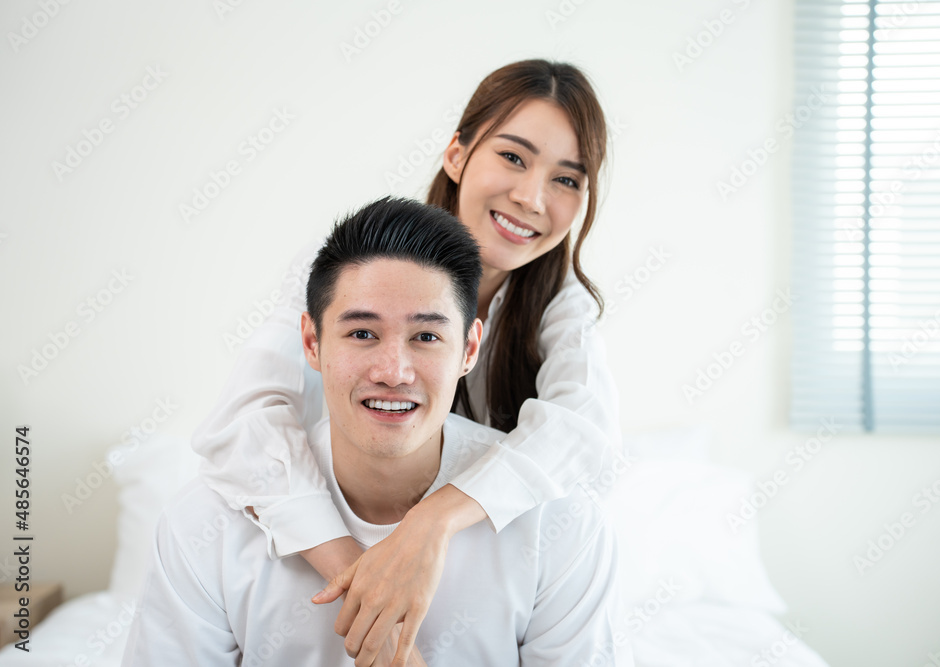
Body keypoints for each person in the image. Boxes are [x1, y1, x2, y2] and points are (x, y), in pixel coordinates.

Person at [191, 59, 621, 666]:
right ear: (456, 155)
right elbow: (243, 424)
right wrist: (369, 587)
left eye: (567, 179)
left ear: (469, 346)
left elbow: (582, 436)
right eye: (513, 157)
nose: (531, 197)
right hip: (320, 536)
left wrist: (429, 526)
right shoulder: (353, 264)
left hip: (483, 563)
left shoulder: (563, 309)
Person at [123, 197, 628, 666]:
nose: (393, 372)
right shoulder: (206, 523)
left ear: (469, 349)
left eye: (426, 336)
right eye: (362, 333)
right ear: (311, 342)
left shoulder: (560, 527)